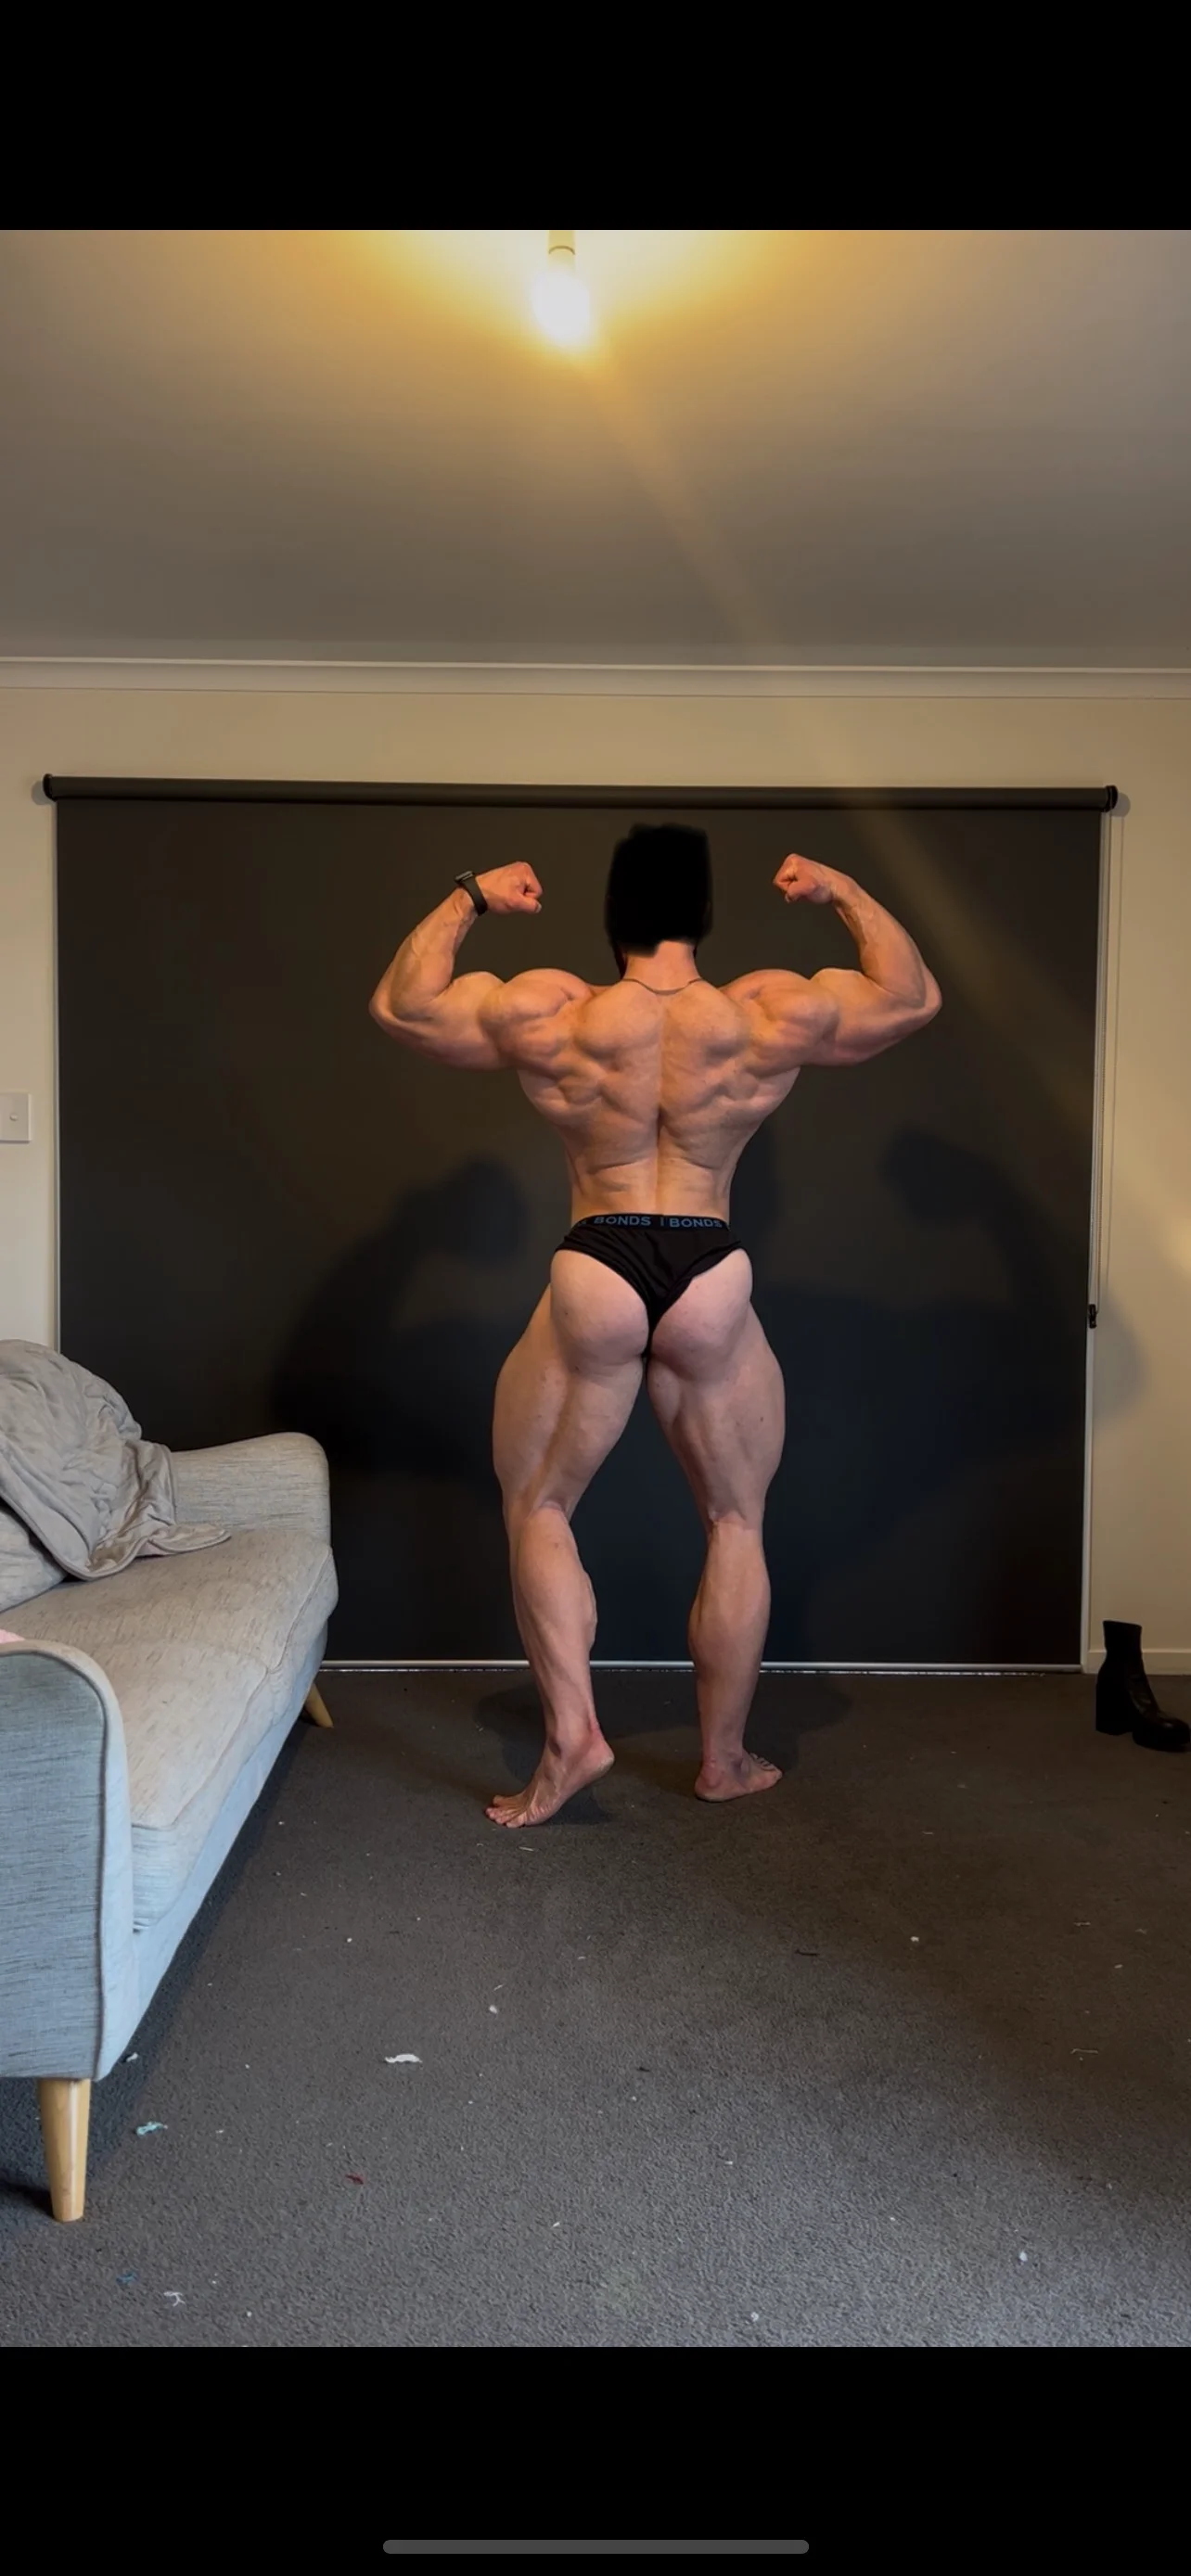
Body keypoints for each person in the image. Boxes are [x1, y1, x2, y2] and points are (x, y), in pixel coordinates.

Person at [370, 825, 941, 1826]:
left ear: (613, 914)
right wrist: (842, 889)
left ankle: (572, 1742)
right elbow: (910, 997)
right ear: (704, 914)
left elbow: (402, 1006)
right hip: (710, 1263)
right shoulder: (765, 1012)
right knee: (736, 1520)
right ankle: (723, 1760)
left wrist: (471, 895)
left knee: (540, 1509)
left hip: (600, 1256)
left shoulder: (558, 1011)